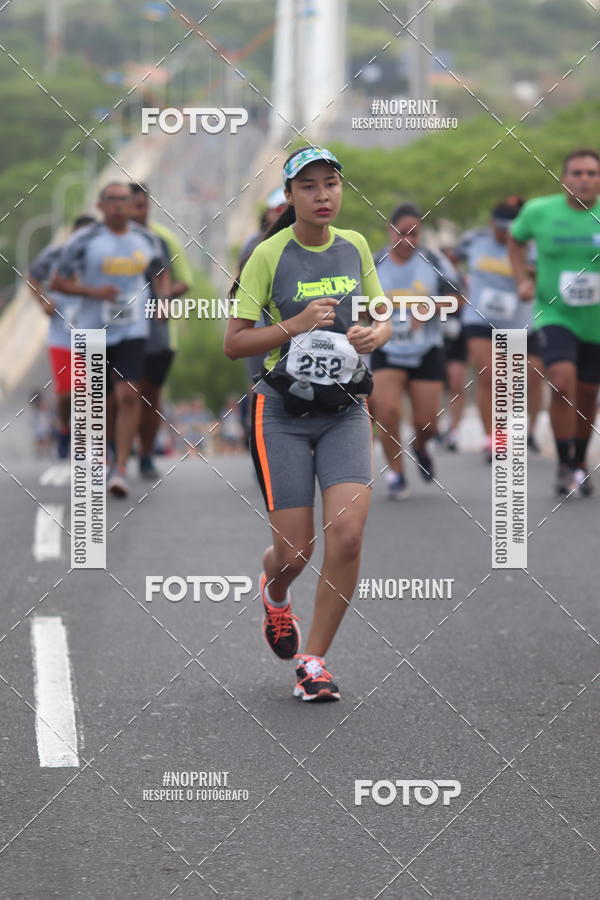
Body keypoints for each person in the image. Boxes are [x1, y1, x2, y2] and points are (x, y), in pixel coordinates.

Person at [224, 146, 392, 702]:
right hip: (282, 413)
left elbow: (381, 314)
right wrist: (293, 325)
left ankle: (313, 661)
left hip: (344, 409)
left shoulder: (356, 245)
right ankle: (275, 594)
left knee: (347, 536)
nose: (323, 195)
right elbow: (235, 343)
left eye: (331, 184)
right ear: (290, 195)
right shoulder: (268, 255)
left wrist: (374, 334)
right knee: (295, 553)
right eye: (309, 186)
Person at [53, 182, 170, 497]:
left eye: (124, 200)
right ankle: (105, 456)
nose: (119, 205)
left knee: (129, 394)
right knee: (101, 401)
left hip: (133, 328)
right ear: (100, 205)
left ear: (131, 206)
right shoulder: (83, 240)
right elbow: (59, 281)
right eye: (112, 199)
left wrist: (162, 300)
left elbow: (160, 273)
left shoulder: (146, 239)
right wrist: (93, 292)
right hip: (94, 328)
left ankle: (119, 468)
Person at [509, 149, 600, 496]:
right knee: (561, 384)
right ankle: (564, 464)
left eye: (591, 173)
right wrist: (522, 279)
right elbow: (515, 240)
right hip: (554, 313)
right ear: (564, 179)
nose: (584, 179)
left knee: (588, 394)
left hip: (595, 320)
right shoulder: (539, 211)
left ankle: (579, 461)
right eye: (577, 173)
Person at [369, 203, 460, 499]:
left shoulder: (433, 261)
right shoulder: (375, 263)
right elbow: (356, 304)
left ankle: (421, 446)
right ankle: (396, 474)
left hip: (426, 349)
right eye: (401, 233)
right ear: (389, 230)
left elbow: (458, 299)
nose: (407, 240)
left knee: (427, 422)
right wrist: (373, 316)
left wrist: (430, 307)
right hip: (386, 348)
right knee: (387, 411)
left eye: (414, 234)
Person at [457, 197, 544, 464]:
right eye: (499, 227)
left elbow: (545, 278)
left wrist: (531, 277)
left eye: (509, 229)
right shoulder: (473, 241)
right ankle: (493, 438)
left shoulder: (531, 247)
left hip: (519, 322)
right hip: (480, 320)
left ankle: (529, 430)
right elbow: (448, 261)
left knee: (527, 380)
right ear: (492, 222)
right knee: (489, 376)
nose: (503, 234)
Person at [129, 182, 194, 479]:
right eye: (131, 206)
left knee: (149, 396)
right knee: (124, 394)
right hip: (121, 331)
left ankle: (145, 454)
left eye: (141, 206)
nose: (136, 212)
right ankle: (117, 454)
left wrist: (160, 299)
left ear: (149, 206)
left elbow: (184, 281)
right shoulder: (111, 240)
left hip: (159, 333)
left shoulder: (163, 239)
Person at [28, 215, 96, 458]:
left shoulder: (101, 259)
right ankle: (65, 429)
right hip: (61, 336)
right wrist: (43, 301)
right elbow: (32, 277)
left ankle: (86, 441)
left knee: (88, 391)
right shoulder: (54, 255)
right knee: (67, 392)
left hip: (91, 333)